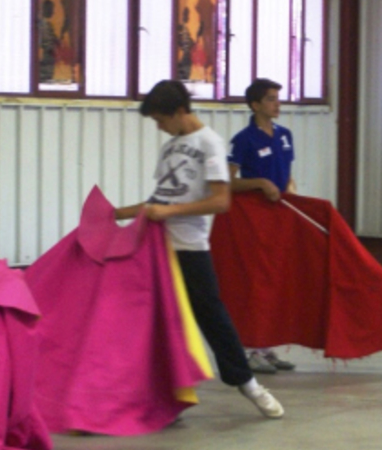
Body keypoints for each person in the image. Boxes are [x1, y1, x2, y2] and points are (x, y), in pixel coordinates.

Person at [114, 80, 284, 419]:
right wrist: (117, 213)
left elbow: (220, 201)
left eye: (161, 120)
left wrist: (170, 212)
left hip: (190, 247)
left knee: (212, 318)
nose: (159, 128)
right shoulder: (170, 148)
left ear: (180, 111)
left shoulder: (210, 143)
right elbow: (160, 200)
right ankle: (165, 396)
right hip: (157, 248)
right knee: (158, 322)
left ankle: (249, 384)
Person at [227, 78, 297, 374]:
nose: (277, 103)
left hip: (279, 216)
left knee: (276, 280)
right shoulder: (243, 140)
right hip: (253, 219)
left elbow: (288, 175)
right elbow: (228, 182)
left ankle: (267, 347)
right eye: (270, 99)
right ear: (255, 105)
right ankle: (250, 349)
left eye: (278, 98)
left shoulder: (285, 135)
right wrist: (260, 183)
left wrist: (291, 193)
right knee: (256, 281)